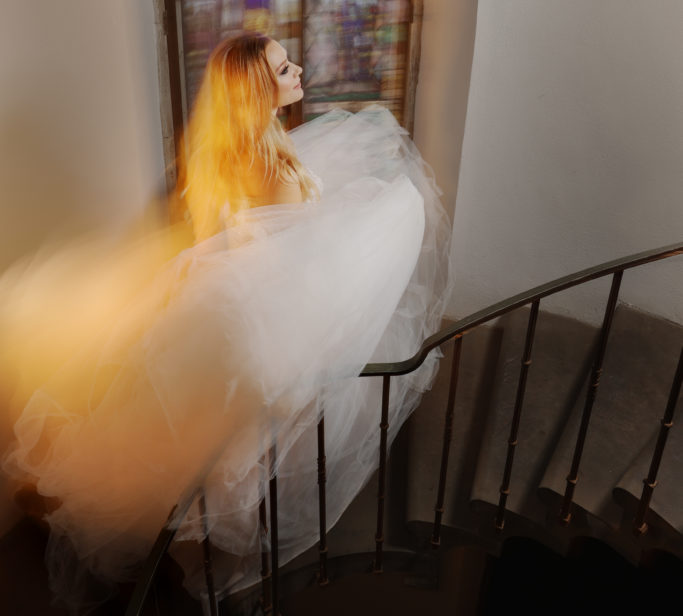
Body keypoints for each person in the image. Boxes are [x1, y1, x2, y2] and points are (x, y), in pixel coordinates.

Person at [1, 33, 452, 610]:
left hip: (238, 290)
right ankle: (219, 558)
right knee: (239, 439)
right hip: (265, 308)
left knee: (204, 436)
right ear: (259, 90)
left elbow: (245, 232)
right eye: (285, 68)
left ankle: (205, 536)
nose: (298, 72)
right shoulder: (274, 165)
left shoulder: (237, 147)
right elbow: (299, 255)